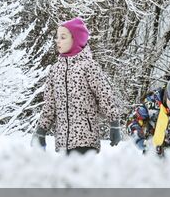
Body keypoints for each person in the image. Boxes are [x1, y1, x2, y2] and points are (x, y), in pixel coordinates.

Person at [35, 17, 121, 155]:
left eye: (63, 37)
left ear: (76, 39)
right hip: (63, 141)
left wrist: (114, 123)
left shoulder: (89, 66)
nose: (57, 40)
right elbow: (50, 105)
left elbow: (105, 95)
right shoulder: (55, 70)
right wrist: (41, 130)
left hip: (86, 140)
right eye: (57, 37)